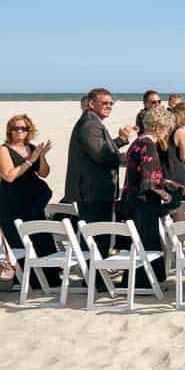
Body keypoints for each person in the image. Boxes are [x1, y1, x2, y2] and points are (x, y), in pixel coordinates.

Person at [63, 88, 132, 258]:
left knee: (96, 236)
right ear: (92, 104)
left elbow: (101, 150)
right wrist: (129, 158)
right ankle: (95, 278)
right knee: (96, 237)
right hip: (93, 192)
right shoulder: (91, 124)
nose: (108, 106)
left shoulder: (92, 121)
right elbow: (102, 155)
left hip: (93, 190)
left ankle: (94, 275)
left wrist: (121, 141)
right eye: (104, 103)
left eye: (111, 103)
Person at [120, 108, 182, 288]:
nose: (167, 131)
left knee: (138, 241)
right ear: (157, 127)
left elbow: (141, 172)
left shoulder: (136, 143)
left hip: (132, 198)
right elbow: (149, 179)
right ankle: (148, 283)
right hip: (145, 201)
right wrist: (166, 194)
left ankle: (136, 281)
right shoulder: (148, 145)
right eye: (166, 128)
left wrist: (165, 181)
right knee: (149, 241)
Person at [0, 114, 58, 287]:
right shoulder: (4, 149)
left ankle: (48, 278)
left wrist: (41, 156)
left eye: (24, 128)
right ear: (9, 131)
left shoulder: (32, 148)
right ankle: (25, 280)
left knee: (40, 236)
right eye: (16, 128)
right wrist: (30, 159)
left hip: (33, 203)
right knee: (18, 239)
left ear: (29, 130)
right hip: (12, 201)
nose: (20, 131)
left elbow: (44, 173)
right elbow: (9, 176)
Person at [164, 101, 185, 202]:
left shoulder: (165, 128)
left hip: (164, 170)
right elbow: (184, 156)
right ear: (182, 114)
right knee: (180, 207)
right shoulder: (182, 132)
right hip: (178, 172)